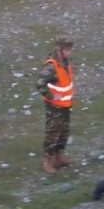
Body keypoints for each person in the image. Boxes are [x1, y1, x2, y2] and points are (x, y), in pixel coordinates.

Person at [35, 37, 75, 174]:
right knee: (53, 134)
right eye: (67, 50)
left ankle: (59, 156)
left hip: (65, 105)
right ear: (59, 50)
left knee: (63, 132)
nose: (70, 52)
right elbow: (39, 83)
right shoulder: (51, 66)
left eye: (70, 49)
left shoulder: (64, 63)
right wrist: (52, 97)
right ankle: (47, 161)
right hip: (54, 108)